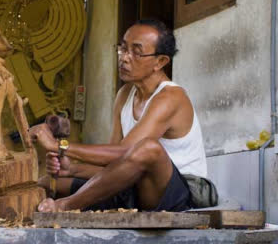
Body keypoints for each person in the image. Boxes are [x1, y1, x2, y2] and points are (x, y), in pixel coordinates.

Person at [30, 19, 210, 212]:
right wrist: (72, 168)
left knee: (149, 149)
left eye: (136, 52)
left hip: (183, 192)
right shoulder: (125, 94)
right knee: (46, 183)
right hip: (138, 186)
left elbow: (124, 151)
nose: (124, 58)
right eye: (123, 49)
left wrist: (59, 146)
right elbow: (116, 162)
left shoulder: (171, 97)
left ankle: (64, 206)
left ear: (160, 62)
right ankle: (62, 199)